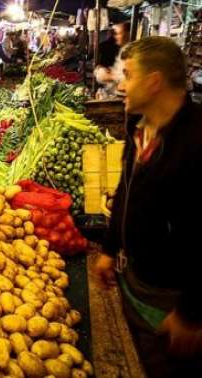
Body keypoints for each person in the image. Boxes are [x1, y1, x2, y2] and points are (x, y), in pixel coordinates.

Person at [92, 36, 202, 376]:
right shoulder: (138, 127)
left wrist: (190, 313)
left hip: (176, 303)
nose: (120, 85)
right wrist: (111, 247)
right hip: (138, 282)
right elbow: (126, 189)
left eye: (128, 75)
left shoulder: (196, 140)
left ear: (154, 82)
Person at [95, 23, 130, 98]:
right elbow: (119, 70)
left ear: (127, 34)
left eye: (118, 34)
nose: (115, 37)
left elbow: (127, 76)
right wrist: (108, 70)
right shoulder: (123, 49)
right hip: (115, 92)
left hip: (122, 96)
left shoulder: (130, 51)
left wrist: (110, 76)